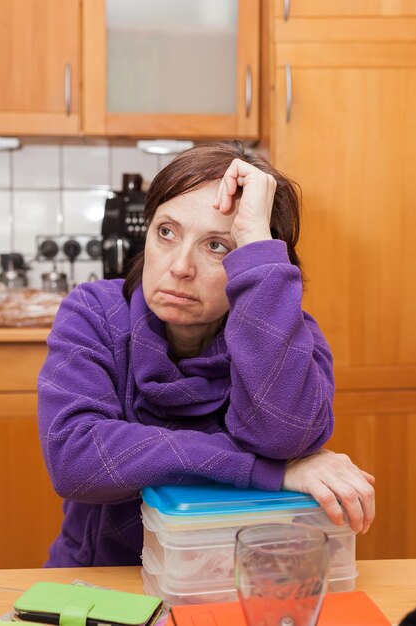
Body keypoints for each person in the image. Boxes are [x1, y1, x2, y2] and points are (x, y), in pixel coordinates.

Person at [38, 141, 375, 567]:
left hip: (230, 577)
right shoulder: (94, 312)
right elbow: (76, 459)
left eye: (218, 246)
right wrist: (268, 470)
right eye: (166, 232)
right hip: (102, 576)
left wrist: (254, 240)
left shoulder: (291, 335)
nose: (179, 266)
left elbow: (284, 436)